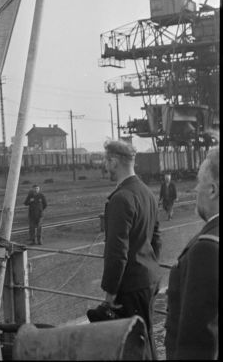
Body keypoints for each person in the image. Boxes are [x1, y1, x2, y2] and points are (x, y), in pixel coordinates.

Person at [98, 140, 162, 358]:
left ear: (114, 162)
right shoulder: (147, 193)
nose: (105, 166)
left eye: (106, 161)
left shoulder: (120, 198)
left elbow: (117, 252)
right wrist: (148, 268)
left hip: (130, 286)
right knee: (147, 338)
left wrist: (110, 293)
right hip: (148, 280)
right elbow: (156, 239)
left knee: (134, 348)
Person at [165, 147, 219, 360]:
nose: (196, 189)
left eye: (199, 183)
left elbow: (197, 346)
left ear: (213, 190)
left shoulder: (207, 248)